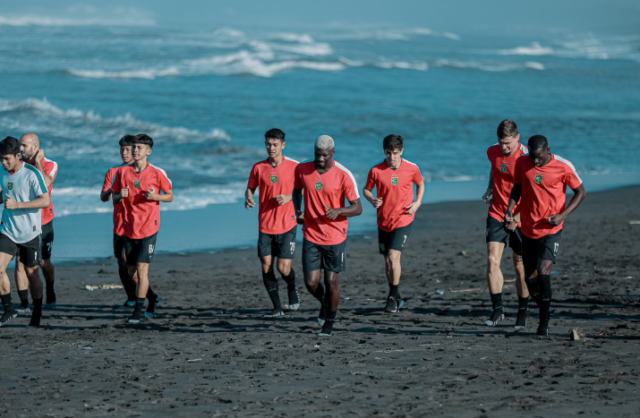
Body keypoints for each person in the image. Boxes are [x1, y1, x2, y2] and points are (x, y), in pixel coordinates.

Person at [505, 135, 586, 339]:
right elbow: (518, 186)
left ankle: (544, 322)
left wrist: (562, 215)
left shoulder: (563, 166)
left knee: (543, 272)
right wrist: (510, 208)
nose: (535, 161)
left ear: (548, 150)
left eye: (539, 158)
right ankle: (545, 307)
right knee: (529, 279)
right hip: (528, 229)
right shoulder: (522, 162)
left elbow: (581, 192)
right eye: (532, 157)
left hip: (551, 230)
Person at [293, 135, 362, 336]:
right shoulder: (302, 169)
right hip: (311, 234)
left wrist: (338, 211)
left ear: (332, 153)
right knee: (311, 283)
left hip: (335, 237)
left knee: (332, 282)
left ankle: (329, 324)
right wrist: (298, 211)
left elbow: (357, 208)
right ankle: (326, 303)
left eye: (324, 156)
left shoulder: (344, 175)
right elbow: (296, 190)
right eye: (317, 155)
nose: (320, 159)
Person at [111, 134, 173, 324]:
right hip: (130, 229)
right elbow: (113, 197)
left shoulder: (156, 173)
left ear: (149, 151)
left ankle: (138, 312)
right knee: (132, 273)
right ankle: (152, 297)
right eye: (134, 147)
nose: (135, 150)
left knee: (142, 270)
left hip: (149, 229)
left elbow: (170, 195)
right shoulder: (123, 173)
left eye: (139, 147)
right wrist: (119, 196)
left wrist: (156, 197)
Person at [363, 134, 424, 313]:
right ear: (384, 151)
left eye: (396, 153)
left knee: (393, 257)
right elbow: (366, 189)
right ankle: (396, 295)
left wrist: (417, 203)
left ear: (401, 151)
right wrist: (372, 200)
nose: (392, 157)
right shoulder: (376, 170)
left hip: (404, 219)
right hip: (383, 221)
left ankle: (392, 295)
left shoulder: (411, 168)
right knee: (388, 262)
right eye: (389, 153)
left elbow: (420, 184)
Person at [245, 128, 300, 317]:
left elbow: (305, 192)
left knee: (283, 268)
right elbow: (250, 188)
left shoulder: (295, 167)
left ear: (283, 145)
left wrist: (289, 197)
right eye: (268, 144)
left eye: (275, 144)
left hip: (288, 225)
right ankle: (277, 307)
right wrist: (248, 198)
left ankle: (292, 287)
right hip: (265, 225)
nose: (271, 148)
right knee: (266, 266)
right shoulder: (258, 168)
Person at [481, 120, 530, 328]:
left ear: (517, 138)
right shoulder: (492, 151)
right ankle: (497, 310)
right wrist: (489, 188)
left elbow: (531, 192)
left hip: (520, 218)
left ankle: (522, 311)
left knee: (520, 268)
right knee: (492, 261)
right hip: (496, 213)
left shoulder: (527, 157)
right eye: (501, 143)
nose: (504, 148)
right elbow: (496, 171)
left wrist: (517, 218)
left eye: (508, 143)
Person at [0, 136, 50, 327]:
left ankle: (36, 311)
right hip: (8, 230)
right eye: (1, 159)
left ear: (18, 155)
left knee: (32, 274)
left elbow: (45, 201)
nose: (3, 163)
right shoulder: (2, 172)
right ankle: (8, 308)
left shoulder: (32, 174)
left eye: (7, 159)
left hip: (30, 232)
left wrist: (18, 205)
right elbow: (2, 194)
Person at [13, 133, 59, 312]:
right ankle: (24, 304)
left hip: (44, 221)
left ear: (35, 147)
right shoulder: (19, 165)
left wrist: (38, 162)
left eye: (24, 146)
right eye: (20, 145)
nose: (21, 149)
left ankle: (50, 287)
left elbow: (46, 183)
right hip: (22, 221)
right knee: (21, 262)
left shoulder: (50, 164)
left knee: (43, 263)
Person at [100, 134, 138, 308]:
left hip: (138, 225)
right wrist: (113, 193)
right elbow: (103, 197)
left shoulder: (142, 171)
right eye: (121, 149)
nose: (123, 152)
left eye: (127, 149)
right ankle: (131, 296)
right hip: (119, 225)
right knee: (121, 262)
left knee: (134, 263)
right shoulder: (113, 172)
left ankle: (142, 295)